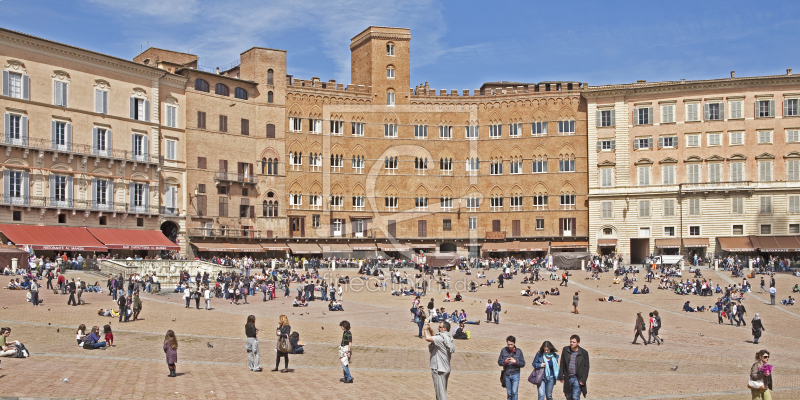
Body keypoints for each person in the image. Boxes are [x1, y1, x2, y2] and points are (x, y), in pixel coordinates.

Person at [425, 320, 454, 400]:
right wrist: (430, 329)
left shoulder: (440, 338)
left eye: (440, 327)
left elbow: (428, 338)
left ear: (444, 329)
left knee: (441, 395)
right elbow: (434, 337)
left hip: (439, 369)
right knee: (441, 392)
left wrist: (425, 329)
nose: (438, 328)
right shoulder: (447, 337)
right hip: (445, 368)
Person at [557, 334, 589, 400]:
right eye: (570, 341)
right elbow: (562, 363)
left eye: (573, 342)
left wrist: (583, 379)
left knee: (575, 397)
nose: (571, 343)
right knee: (568, 396)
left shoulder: (584, 352)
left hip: (577, 378)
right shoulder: (565, 350)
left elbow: (586, 367)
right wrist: (561, 376)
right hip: (567, 377)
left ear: (578, 343)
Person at [498, 335, 525, 400]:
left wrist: (515, 362)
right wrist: (505, 362)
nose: (510, 346)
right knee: (509, 393)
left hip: (515, 374)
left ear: (514, 343)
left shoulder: (519, 351)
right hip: (507, 374)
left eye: (511, 344)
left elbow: (523, 363)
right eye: (508, 344)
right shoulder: (504, 350)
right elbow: (499, 362)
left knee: (514, 392)